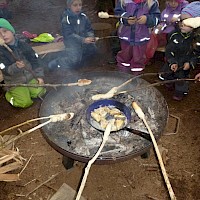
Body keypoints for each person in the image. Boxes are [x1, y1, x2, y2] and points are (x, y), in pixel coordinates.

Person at [0, 18, 46, 108]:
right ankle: (9, 94)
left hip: (29, 77)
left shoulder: (23, 45)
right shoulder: (1, 52)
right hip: (15, 81)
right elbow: (5, 69)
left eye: (5, 31)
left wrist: (39, 76)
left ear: (12, 31)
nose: (3, 35)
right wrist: (15, 66)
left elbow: (35, 60)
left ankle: (27, 90)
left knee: (40, 92)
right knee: (24, 103)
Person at [159, 1, 200, 101]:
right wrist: (172, 61)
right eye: (181, 20)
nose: (182, 24)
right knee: (168, 73)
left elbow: (197, 54)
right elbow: (169, 49)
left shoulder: (196, 39)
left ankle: (180, 92)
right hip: (174, 59)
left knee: (181, 78)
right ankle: (168, 83)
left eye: (186, 22)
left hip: (185, 63)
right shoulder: (173, 34)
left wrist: (190, 63)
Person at [48, 0, 97, 71]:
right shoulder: (66, 19)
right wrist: (83, 40)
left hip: (83, 41)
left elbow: (89, 29)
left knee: (93, 49)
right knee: (74, 60)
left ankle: (81, 65)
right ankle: (57, 62)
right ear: (69, 6)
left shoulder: (84, 17)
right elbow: (69, 35)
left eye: (80, 5)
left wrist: (91, 37)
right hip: (71, 43)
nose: (78, 7)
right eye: (75, 5)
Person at [114, 0, 160, 74]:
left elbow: (157, 19)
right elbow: (118, 13)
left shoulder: (152, 3)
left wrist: (147, 19)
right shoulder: (124, 1)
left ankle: (136, 77)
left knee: (138, 59)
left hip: (141, 38)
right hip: (126, 36)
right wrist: (126, 18)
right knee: (124, 56)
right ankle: (122, 74)